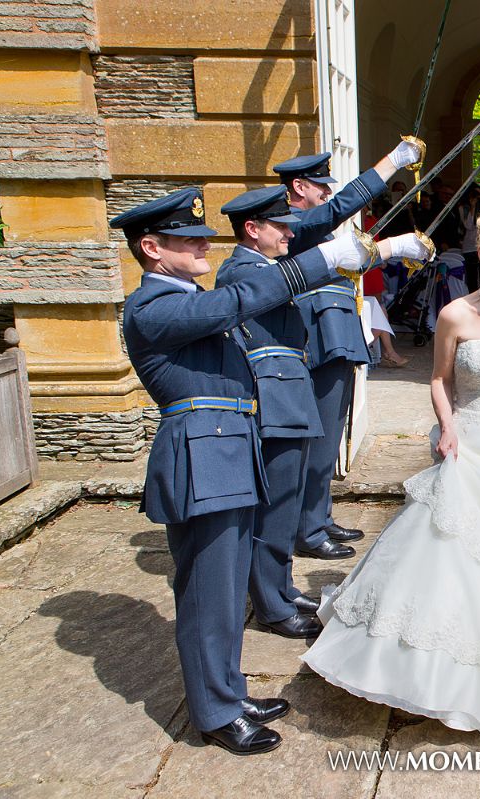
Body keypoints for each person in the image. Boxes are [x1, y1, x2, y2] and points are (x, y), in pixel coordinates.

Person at [114, 187, 404, 755]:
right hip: (203, 462)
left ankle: (227, 692)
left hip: (225, 456)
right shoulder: (151, 306)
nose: (203, 245)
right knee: (208, 595)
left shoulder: (186, 298)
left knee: (225, 592)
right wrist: (326, 257)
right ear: (150, 248)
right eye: (187, 239)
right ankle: (216, 713)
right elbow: (239, 301)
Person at [302, 205, 480, 737]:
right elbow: (439, 379)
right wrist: (448, 425)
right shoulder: (455, 314)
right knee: (453, 549)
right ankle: (429, 666)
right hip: (469, 444)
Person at [274, 139, 424, 561]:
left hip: (337, 337)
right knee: (318, 438)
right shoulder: (294, 224)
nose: (327, 192)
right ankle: (307, 529)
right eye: (320, 185)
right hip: (318, 341)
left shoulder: (313, 227)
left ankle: (318, 517)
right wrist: (391, 163)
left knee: (330, 436)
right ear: (299, 187)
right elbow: (339, 209)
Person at [214, 186, 325, 639]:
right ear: (252, 229)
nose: (289, 234)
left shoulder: (263, 266)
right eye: (280, 227)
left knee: (287, 503)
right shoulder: (240, 271)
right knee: (274, 507)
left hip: (289, 395)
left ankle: (281, 586)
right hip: (272, 398)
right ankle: (271, 606)